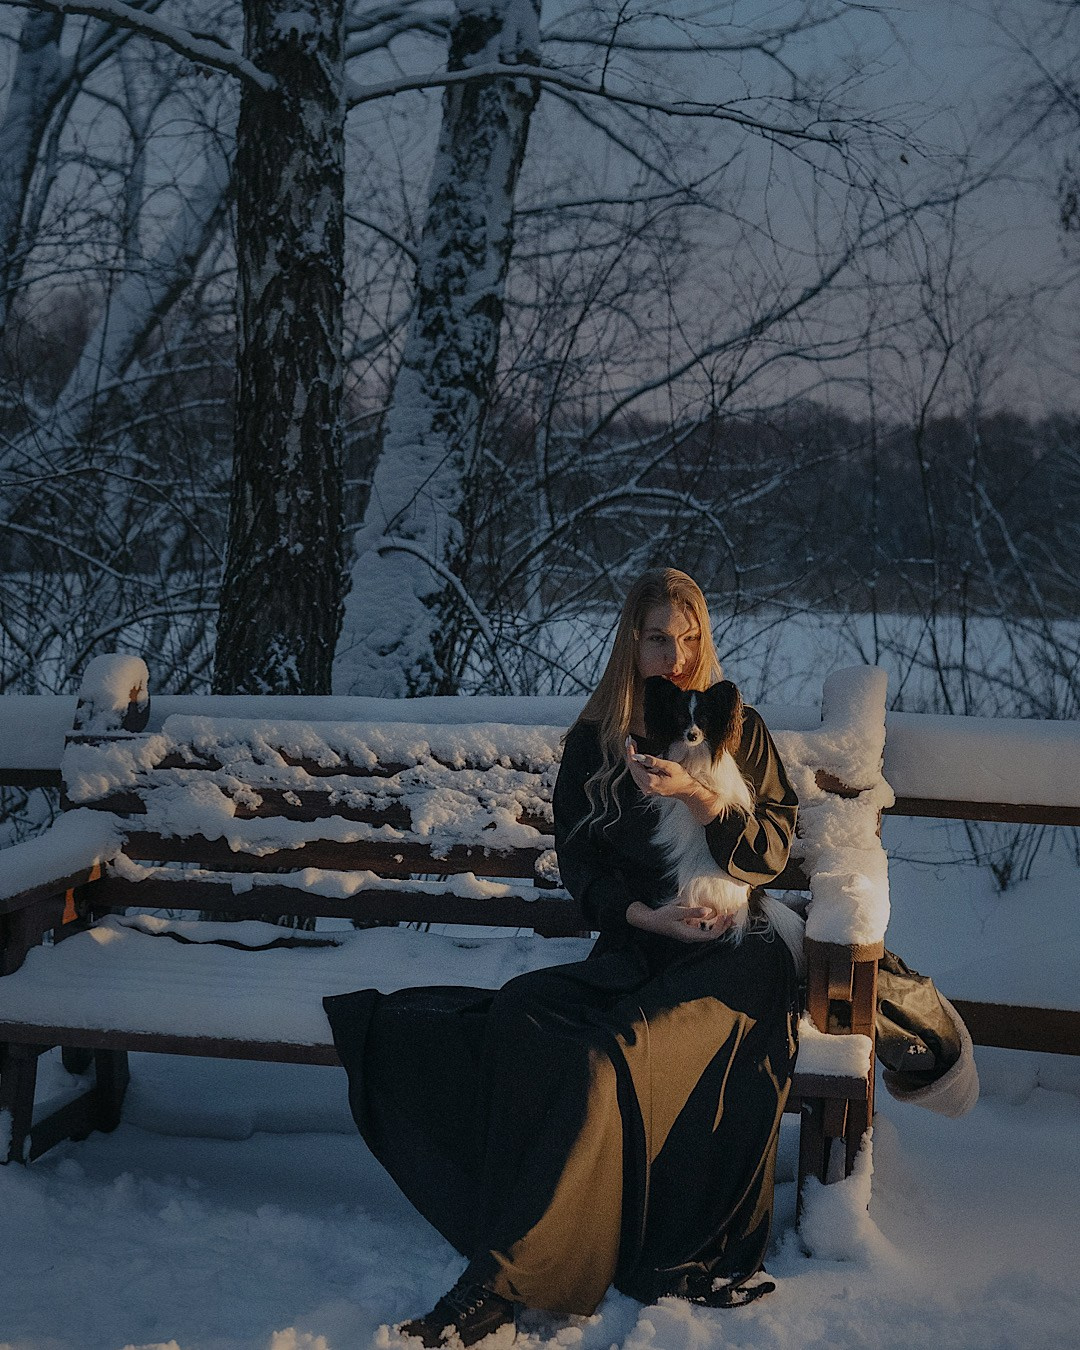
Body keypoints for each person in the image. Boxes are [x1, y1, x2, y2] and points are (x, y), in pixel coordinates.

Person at [322, 568, 800, 1348]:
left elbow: (772, 854)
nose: (676, 657)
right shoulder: (598, 743)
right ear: (631, 642)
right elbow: (583, 868)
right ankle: (542, 1224)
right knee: (521, 1015)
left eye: (689, 639)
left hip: (733, 955)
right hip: (641, 944)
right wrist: (648, 916)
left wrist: (700, 797)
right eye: (658, 639)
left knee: (609, 1058)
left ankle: (499, 1285)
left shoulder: (733, 728)